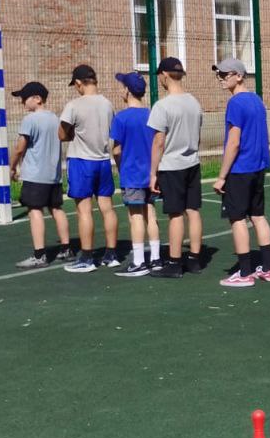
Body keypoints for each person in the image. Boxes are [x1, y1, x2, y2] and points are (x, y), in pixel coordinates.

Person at [212, 58, 270, 288]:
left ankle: (245, 272)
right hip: (257, 167)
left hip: (240, 169)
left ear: (238, 76)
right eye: (219, 75)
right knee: (258, 215)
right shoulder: (257, 100)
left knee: (237, 219)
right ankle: (267, 268)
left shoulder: (236, 103)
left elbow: (234, 142)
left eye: (224, 75)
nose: (221, 79)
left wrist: (222, 176)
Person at [147, 56, 204, 279]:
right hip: (192, 162)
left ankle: (174, 262)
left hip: (172, 165)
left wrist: (153, 172)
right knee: (193, 210)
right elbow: (197, 134)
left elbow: (158, 142)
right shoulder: (194, 102)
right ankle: (195, 259)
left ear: (164, 75)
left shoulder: (162, 106)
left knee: (175, 214)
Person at [59, 64, 119, 272]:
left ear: (78, 83)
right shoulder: (107, 104)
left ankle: (86, 258)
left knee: (84, 210)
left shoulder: (74, 105)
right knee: (107, 208)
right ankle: (111, 254)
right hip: (103, 160)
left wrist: (72, 133)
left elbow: (61, 134)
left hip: (81, 161)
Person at [9, 81, 72, 267]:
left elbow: (20, 147)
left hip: (35, 175)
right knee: (56, 209)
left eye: (24, 98)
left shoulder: (30, 120)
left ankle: (39, 255)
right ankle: (66, 248)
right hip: (53, 175)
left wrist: (12, 167)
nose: (22, 102)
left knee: (34, 210)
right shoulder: (55, 118)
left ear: (37, 98)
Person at [108, 71, 160, 277]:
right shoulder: (151, 115)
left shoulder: (121, 118)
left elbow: (116, 150)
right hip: (151, 174)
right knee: (151, 215)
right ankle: (156, 258)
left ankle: (138, 262)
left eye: (123, 86)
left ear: (128, 91)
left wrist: (121, 167)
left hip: (132, 174)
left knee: (135, 217)